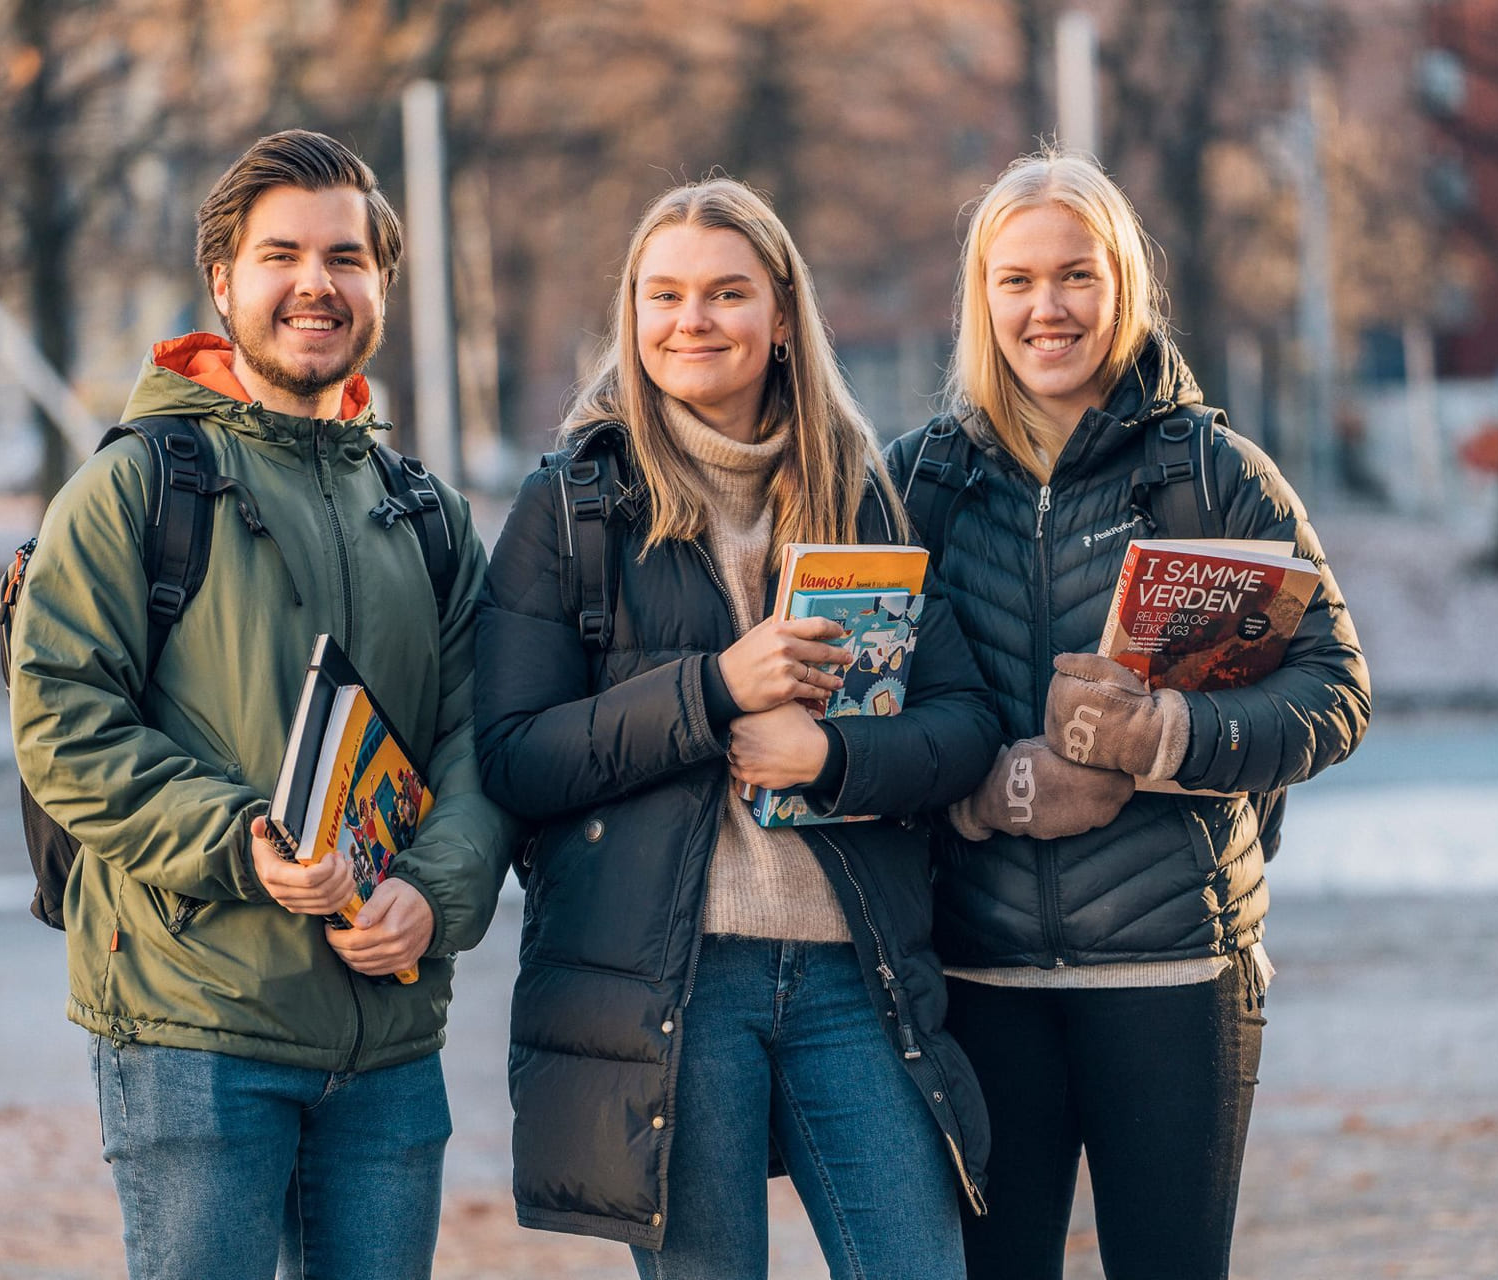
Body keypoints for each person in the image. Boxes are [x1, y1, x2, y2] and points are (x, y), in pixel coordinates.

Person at [8, 130, 516, 1279]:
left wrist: (433, 898)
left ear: (381, 282)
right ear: (224, 281)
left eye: (345, 256)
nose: (315, 283)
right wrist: (246, 842)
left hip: (388, 1043)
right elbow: (61, 723)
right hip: (196, 1031)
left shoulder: (427, 514)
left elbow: (482, 741)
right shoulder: (137, 485)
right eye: (280, 253)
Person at [474, 177, 1002, 1279]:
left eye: (725, 293)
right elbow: (517, 754)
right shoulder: (571, 507)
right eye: (663, 295)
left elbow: (966, 729)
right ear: (632, 317)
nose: (691, 320)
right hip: (671, 980)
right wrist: (710, 690)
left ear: (781, 319)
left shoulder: (861, 494)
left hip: (856, 977)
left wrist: (834, 757)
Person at [884, 151, 1372, 1280]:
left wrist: (1168, 738)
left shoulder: (1212, 473)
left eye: (1074, 275)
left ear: (1122, 286)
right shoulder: (920, 485)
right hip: (980, 977)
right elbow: (866, 719)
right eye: (1015, 280)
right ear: (981, 299)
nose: (1045, 307)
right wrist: (978, 789)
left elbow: (1336, 690)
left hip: (1179, 973)